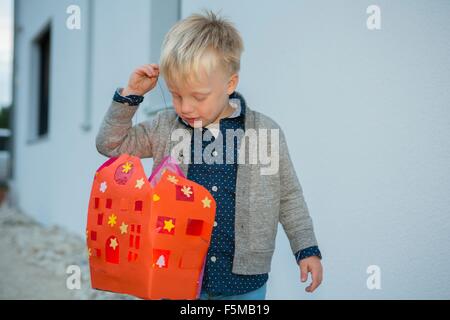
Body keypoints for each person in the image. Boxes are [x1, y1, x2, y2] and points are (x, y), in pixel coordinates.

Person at [96, 10, 323, 300]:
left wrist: (307, 249)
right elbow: (110, 145)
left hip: (244, 283)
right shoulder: (165, 127)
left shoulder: (265, 133)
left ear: (229, 84)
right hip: (176, 273)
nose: (186, 107)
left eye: (198, 97)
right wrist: (130, 96)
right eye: (176, 95)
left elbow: (289, 195)